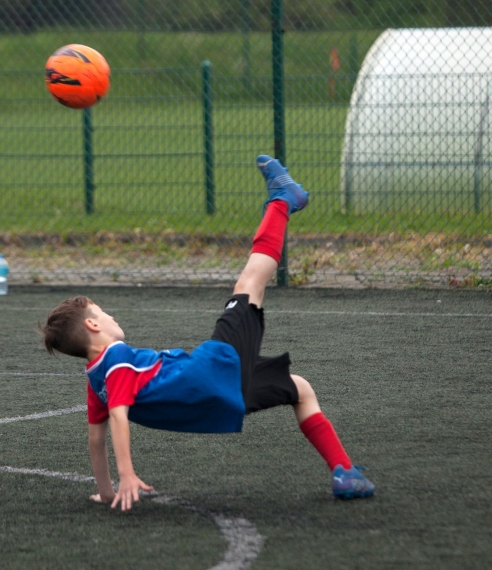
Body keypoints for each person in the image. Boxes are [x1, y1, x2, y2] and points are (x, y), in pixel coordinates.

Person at [40, 155, 376, 511]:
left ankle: (344, 472)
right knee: (249, 282)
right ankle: (282, 199)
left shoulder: (96, 384)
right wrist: (126, 473)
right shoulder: (117, 359)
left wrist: (107, 492)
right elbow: (119, 416)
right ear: (93, 325)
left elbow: (96, 438)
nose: (111, 316)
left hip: (217, 399)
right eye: (103, 313)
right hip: (214, 369)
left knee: (300, 389)